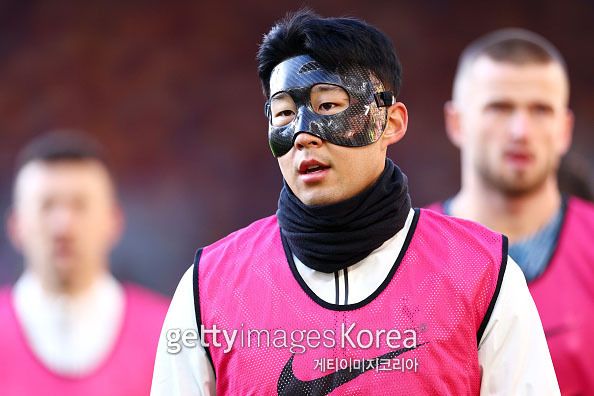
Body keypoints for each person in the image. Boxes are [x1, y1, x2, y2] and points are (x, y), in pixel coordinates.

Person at [152, 11, 559, 395]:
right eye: (283, 113)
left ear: (390, 122)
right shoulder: (208, 287)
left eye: (329, 105)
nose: (302, 134)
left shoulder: (483, 272)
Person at [428, 28, 594, 394]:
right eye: (500, 108)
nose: (521, 130)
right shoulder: (406, 255)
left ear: (565, 129)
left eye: (540, 110)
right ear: (457, 122)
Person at [0, 132, 169, 395]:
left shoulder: (167, 332)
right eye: (46, 206)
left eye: (80, 205)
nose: (63, 225)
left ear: (113, 221)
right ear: (15, 226)